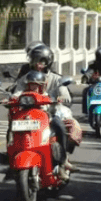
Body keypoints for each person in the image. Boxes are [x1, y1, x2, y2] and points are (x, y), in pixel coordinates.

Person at [10, 44, 74, 179]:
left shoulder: (56, 78)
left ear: (48, 63)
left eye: (42, 62)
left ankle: (62, 161)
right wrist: (12, 98)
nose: (39, 65)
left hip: (50, 113)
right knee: (12, 125)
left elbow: (65, 94)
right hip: (28, 113)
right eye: (36, 61)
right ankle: (12, 155)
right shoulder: (26, 77)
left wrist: (60, 98)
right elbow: (17, 92)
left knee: (60, 127)